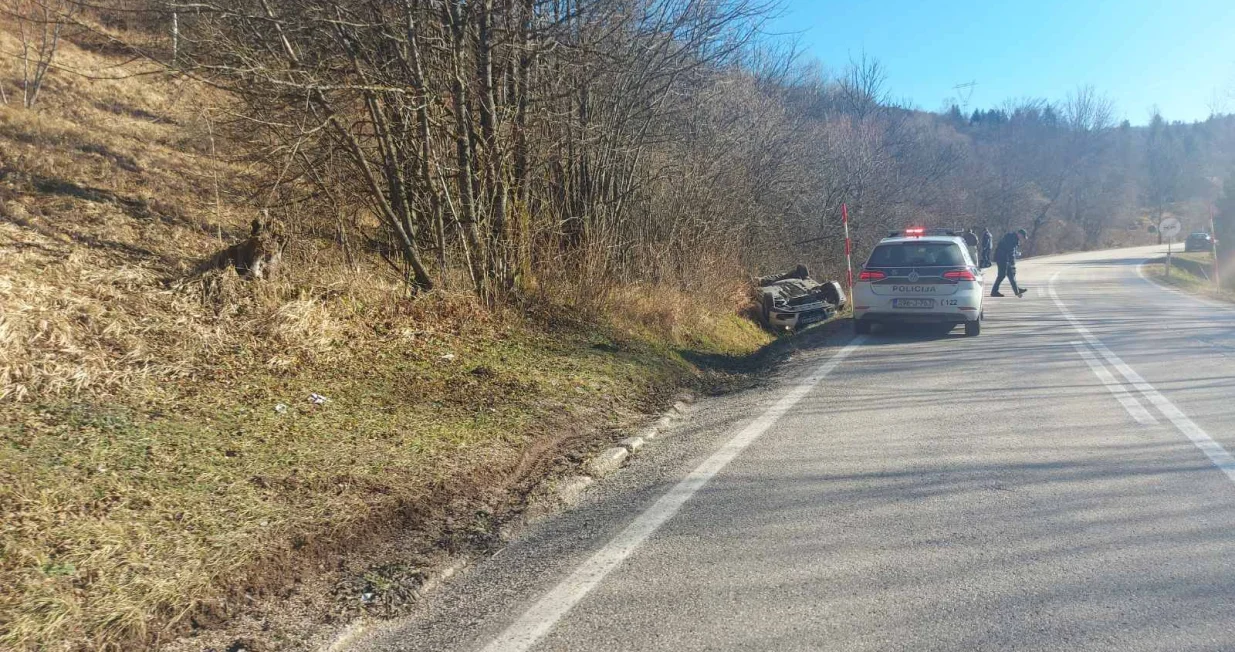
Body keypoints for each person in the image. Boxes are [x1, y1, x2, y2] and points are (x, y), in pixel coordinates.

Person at [992, 229, 1027, 297]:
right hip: (1002, 258)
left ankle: (1017, 291)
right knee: (1001, 275)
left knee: (1011, 275)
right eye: (1022, 236)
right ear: (1019, 234)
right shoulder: (1011, 239)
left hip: (1005, 259)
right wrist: (1012, 263)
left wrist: (1014, 256)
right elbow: (1010, 252)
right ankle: (994, 292)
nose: (1022, 238)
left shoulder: (1013, 238)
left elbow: (1012, 251)